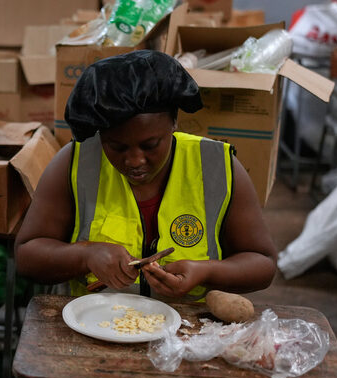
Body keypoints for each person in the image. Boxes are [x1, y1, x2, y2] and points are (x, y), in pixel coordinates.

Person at [15, 50, 276, 302]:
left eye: (150, 145)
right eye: (116, 147)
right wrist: (86, 255)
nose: (135, 161)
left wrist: (205, 272)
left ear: (174, 123)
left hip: (189, 327)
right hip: (94, 322)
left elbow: (262, 263)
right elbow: (27, 256)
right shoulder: (75, 163)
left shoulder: (216, 166)